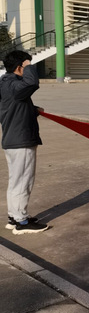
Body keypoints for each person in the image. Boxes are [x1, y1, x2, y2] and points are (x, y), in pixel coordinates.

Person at [0, 50, 49, 234]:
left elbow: (13, 106)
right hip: (21, 141)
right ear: (19, 67)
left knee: (16, 180)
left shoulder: (5, 83)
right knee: (23, 181)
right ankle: (21, 222)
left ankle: (14, 217)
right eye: (26, 65)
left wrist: (33, 110)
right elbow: (32, 83)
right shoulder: (13, 84)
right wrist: (28, 65)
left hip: (13, 139)